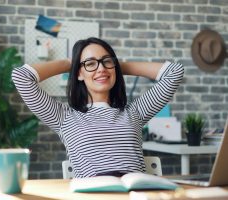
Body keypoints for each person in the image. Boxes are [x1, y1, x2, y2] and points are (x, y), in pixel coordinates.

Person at [12, 37, 184, 178]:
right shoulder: (63, 117)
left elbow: (174, 73)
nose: (101, 69)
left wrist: (114, 67)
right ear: (79, 72)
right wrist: (70, 63)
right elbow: (21, 77)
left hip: (135, 195)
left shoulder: (135, 112)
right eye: (90, 64)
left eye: (106, 61)